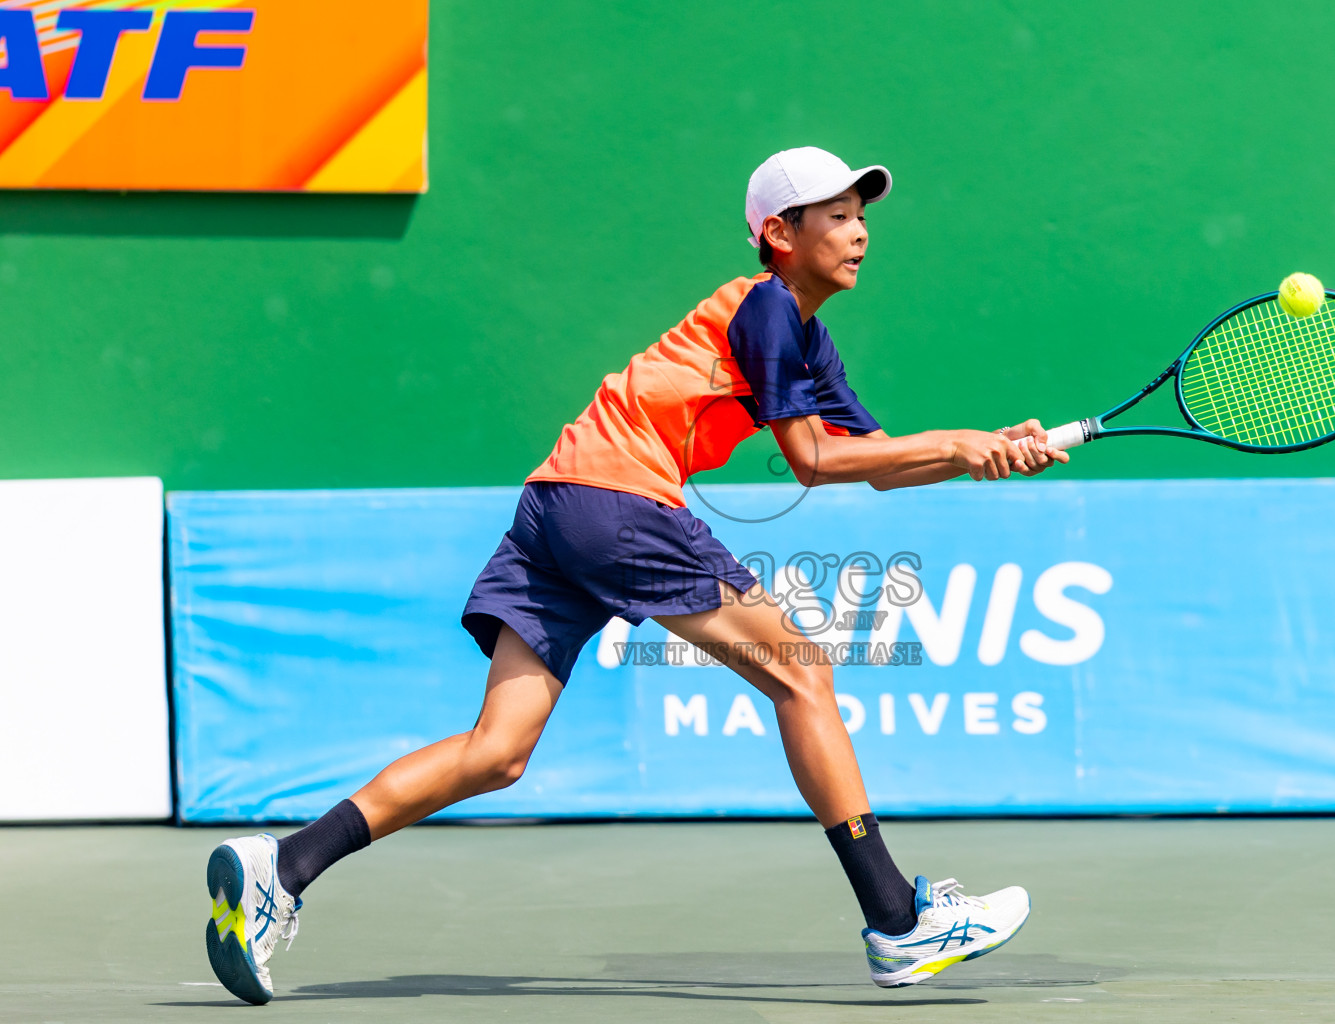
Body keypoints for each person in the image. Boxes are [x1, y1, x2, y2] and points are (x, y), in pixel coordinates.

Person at [204, 146, 1068, 1005]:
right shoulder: (765, 309)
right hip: (619, 500)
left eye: (863, 216)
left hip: (555, 505)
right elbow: (809, 459)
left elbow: (873, 462)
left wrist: (987, 449)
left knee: (497, 752)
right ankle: (895, 919)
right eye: (837, 216)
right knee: (803, 670)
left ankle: (285, 865)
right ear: (779, 233)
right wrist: (958, 443)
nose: (860, 234)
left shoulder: (806, 339)